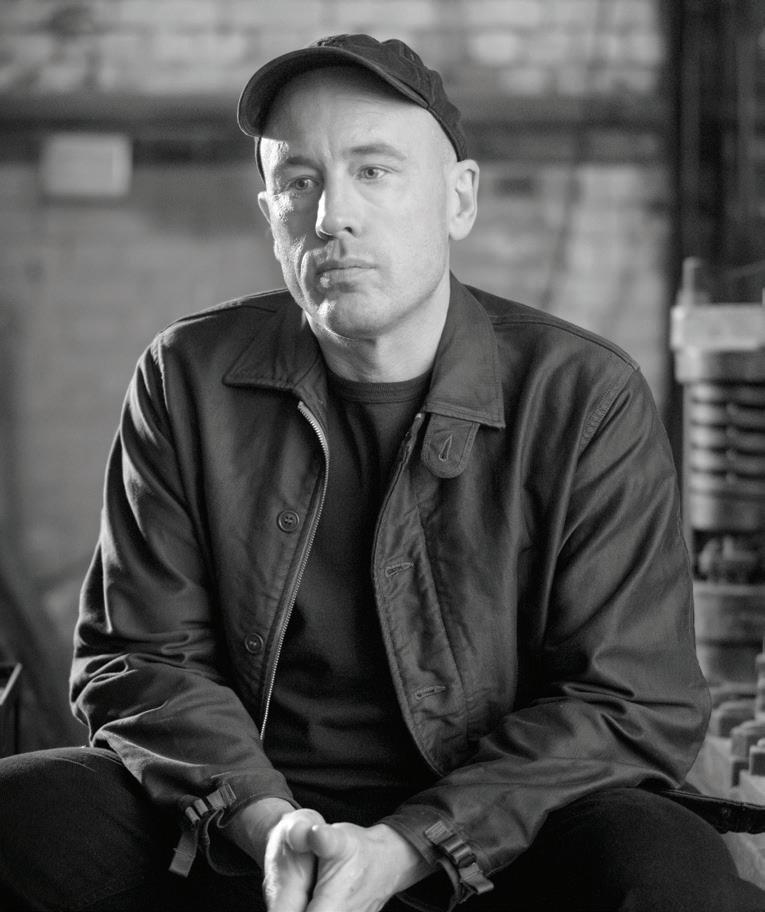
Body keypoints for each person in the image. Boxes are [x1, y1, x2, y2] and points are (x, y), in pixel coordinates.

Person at [1, 33, 764, 912]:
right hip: (244, 833)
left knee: (667, 870)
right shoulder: (186, 379)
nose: (333, 215)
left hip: (499, 844)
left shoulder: (582, 397)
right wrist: (266, 824)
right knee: (23, 818)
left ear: (459, 198)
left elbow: (628, 700)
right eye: (299, 181)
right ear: (270, 212)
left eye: (373, 171)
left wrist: (412, 844)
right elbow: (140, 657)